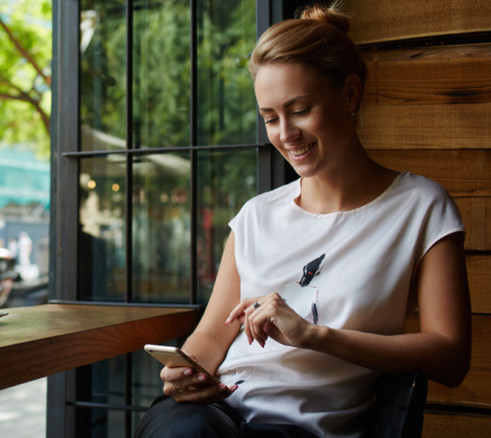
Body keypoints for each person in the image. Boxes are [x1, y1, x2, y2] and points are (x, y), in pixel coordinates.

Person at [134, 3, 471, 437]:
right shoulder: (255, 217)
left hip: (306, 429)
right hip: (215, 417)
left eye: (300, 109)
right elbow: (211, 339)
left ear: (350, 94)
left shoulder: (420, 207)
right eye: (270, 118)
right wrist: (184, 375)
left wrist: (313, 335)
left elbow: (450, 357)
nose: (285, 134)